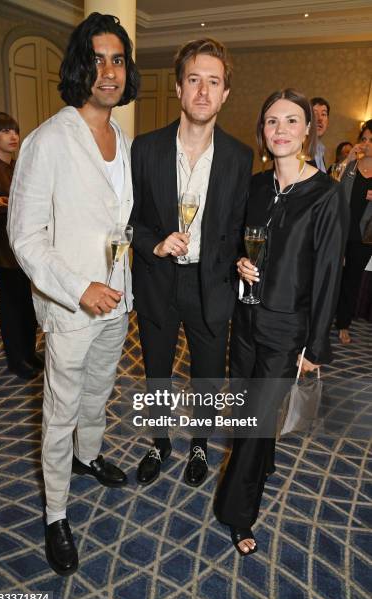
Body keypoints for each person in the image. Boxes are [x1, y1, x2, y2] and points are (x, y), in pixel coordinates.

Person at [8, 12, 139, 576]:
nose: (108, 71)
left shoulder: (125, 141)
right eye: (98, 59)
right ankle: (55, 511)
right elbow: (24, 237)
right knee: (60, 408)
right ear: (79, 67)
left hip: (118, 299)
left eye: (118, 59)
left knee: (99, 390)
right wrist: (77, 287)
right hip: (71, 305)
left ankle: (89, 459)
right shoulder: (48, 140)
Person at [214, 89, 348, 557]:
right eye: (272, 122)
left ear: (308, 129)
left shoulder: (326, 195)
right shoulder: (255, 185)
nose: (281, 130)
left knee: (251, 422)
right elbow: (236, 242)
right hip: (246, 319)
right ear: (262, 131)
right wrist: (239, 264)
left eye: (292, 121)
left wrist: (316, 347)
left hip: (288, 329)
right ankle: (263, 460)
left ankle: (236, 512)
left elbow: (331, 273)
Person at [131, 38, 253, 488]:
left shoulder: (240, 158)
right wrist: (156, 244)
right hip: (159, 280)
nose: (203, 91)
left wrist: (244, 259)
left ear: (224, 94)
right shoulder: (144, 149)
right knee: (156, 372)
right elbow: (129, 220)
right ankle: (158, 441)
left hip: (212, 286)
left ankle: (200, 442)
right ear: (180, 88)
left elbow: (242, 227)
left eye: (213, 82)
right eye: (194, 80)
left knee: (207, 376)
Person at [0, 112, 41, 380]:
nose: (13, 136)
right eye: (4, 131)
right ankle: (15, 359)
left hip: (27, 244)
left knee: (29, 303)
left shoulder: (19, 165)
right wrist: (4, 202)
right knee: (11, 306)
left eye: (14, 130)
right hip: (4, 248)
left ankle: (29, 351)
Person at [336, 120, 372, 344]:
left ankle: (343, 324)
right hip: (340, 229)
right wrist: (348, 159)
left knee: (352, 279)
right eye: (365, 139)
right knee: (332, 275)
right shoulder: (351, 166)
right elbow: (332, 186)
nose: (367, 144)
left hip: (364, 236)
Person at [310, 96, 330, 172]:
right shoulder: (297, 148)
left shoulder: (320, 149)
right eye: (314, 114)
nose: (320, 119)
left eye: (323, 114)